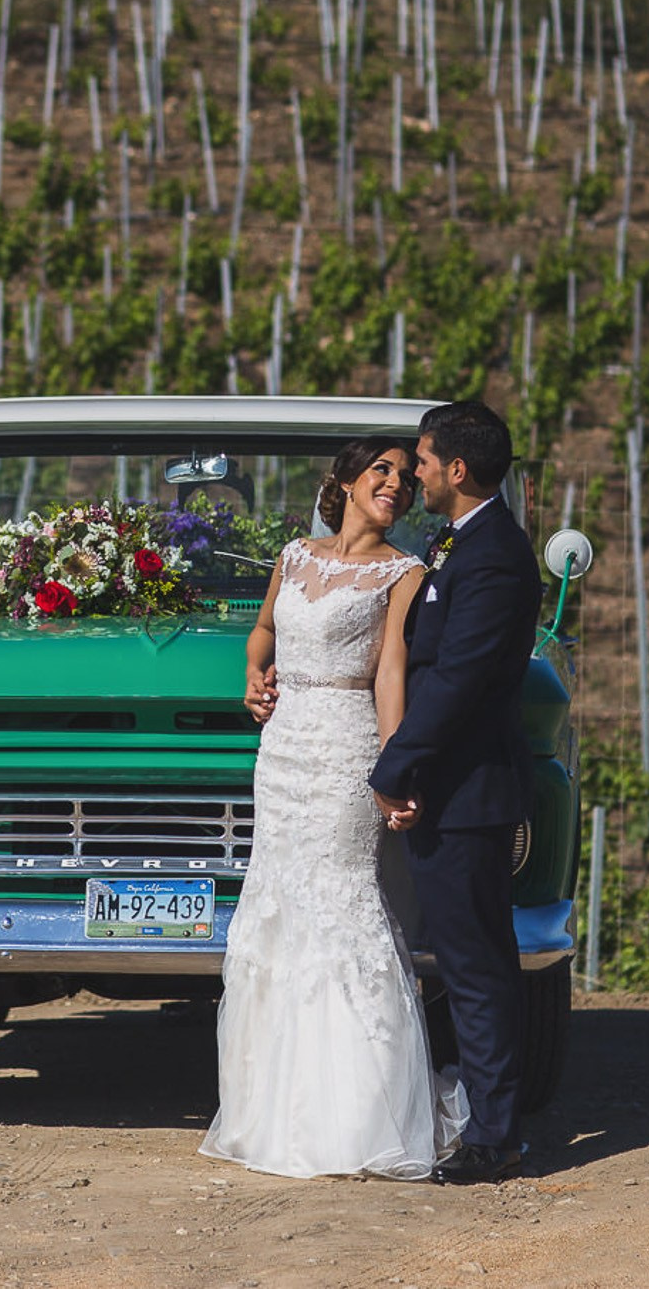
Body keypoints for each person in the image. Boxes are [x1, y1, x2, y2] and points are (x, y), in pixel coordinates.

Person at [201, 435, 466, 1179]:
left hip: (347, 749)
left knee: (344, 906)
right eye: (380, 471)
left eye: (403, 477)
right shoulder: (293, 555)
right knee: (279, 909)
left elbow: (390, 674)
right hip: (282, 753)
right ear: (345, 480)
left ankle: (359, 1117)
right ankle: (273, 1112)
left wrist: (393, 765)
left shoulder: (404, 572)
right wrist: (253, 677)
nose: (395, 484)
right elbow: (262, 632)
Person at [370, 400, 542, 1184]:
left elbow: (461, 680)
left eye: (424, 460)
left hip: (466, 791)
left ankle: (496, 1134)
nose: (417, 472)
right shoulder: (459, 542)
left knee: (476, 966)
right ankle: (490, 1118)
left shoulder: (496, 555)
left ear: (458, 469)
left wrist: (395, 765)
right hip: (449, 784)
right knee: (474, 961)